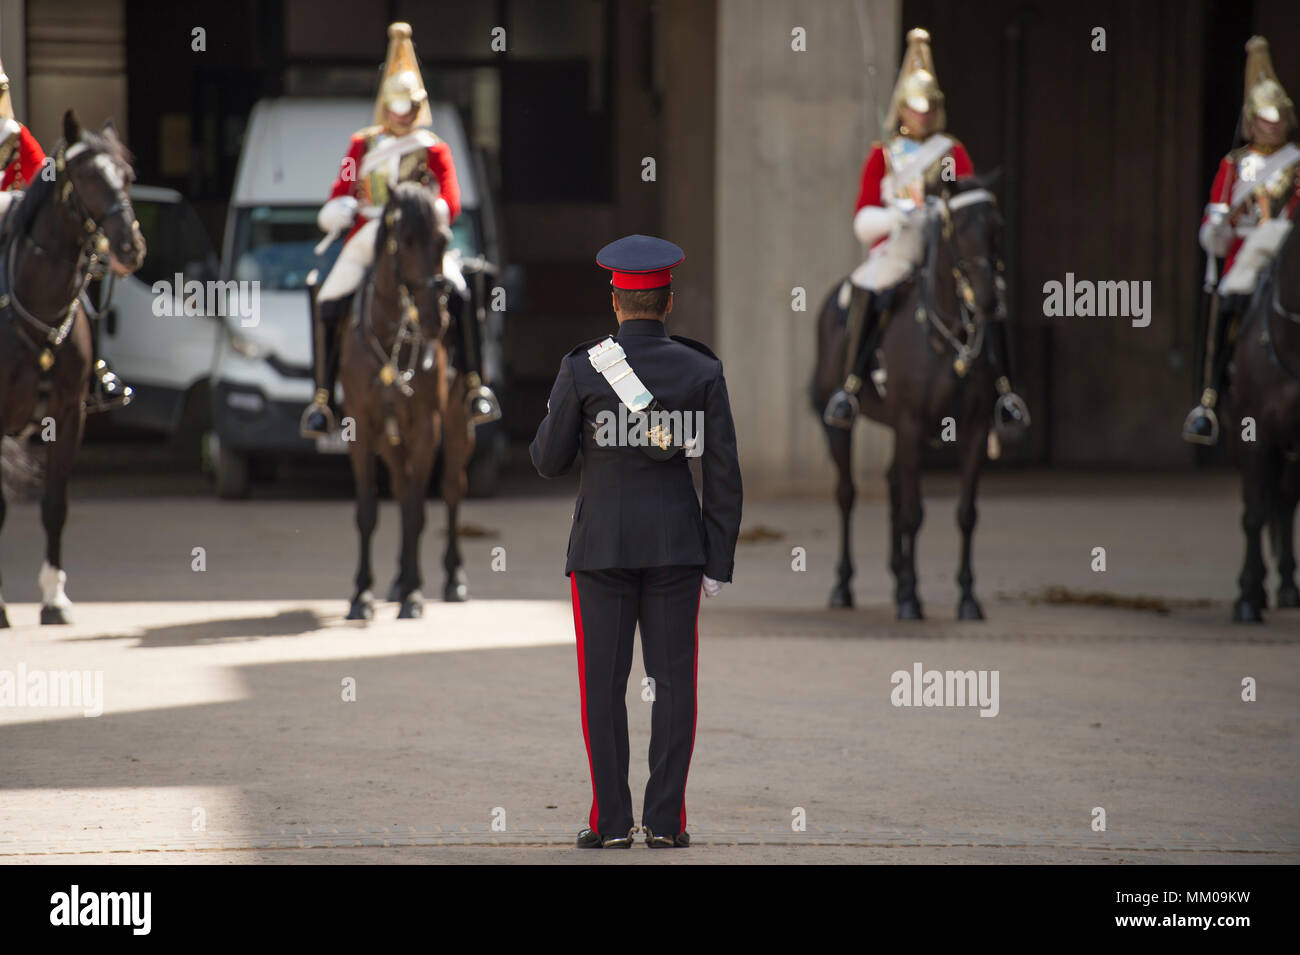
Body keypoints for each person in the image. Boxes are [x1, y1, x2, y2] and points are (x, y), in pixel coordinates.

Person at [530, 235, 742, 848]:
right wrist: (718, 561)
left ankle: (612, 824)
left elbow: (547, 461)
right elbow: (723, 473)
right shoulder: (703, 370)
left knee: (603, 686)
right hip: (678, 550)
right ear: (668, 302)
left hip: (601, 552)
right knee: (675, 685)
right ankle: (668, 823)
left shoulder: (583, 367)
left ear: (615, 301)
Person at [823, 27, 1028, 436]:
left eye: (932, 106)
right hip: (899, 246)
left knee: (992, 295)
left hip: (947, 246)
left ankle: (1005, 392)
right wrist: (894, 215)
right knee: (868, 286)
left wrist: (935, 209)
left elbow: (967, 200)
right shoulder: (883, 155)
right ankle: (852, 384)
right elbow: (862, 218)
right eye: (918, 106)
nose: (925, 114)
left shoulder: (952, 152)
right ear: (901, 107)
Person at [300, 21, 500, 438]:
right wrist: (339, 207)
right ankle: (322, 399)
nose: (400, 113)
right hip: (370, 231)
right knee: (329, 294)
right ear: (384, 105)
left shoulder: (433, 148)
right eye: (394, 105)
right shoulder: (362, 144)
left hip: (421, 236)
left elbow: (452, 197)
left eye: (407, 105)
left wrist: (432, 214)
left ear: (418, 105)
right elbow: (343, 183)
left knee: (461, 291)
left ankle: (473, 385)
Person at [1183, 35, 1299, 445]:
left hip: (1288, 246)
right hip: (1246, 252)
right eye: (1267, 118)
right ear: (1253, 120)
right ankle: (1210, 397)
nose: (1275, 124)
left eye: (1280, 117)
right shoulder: (1233, 165)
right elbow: (1215, 214)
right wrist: (1219, 224)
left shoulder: (1297, 164)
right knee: (1226, 301)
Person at [0, 57, 129, 411]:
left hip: (12, 220)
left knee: (72, 281)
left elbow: (43, 179)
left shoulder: (15, 136)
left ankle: (96, 371)